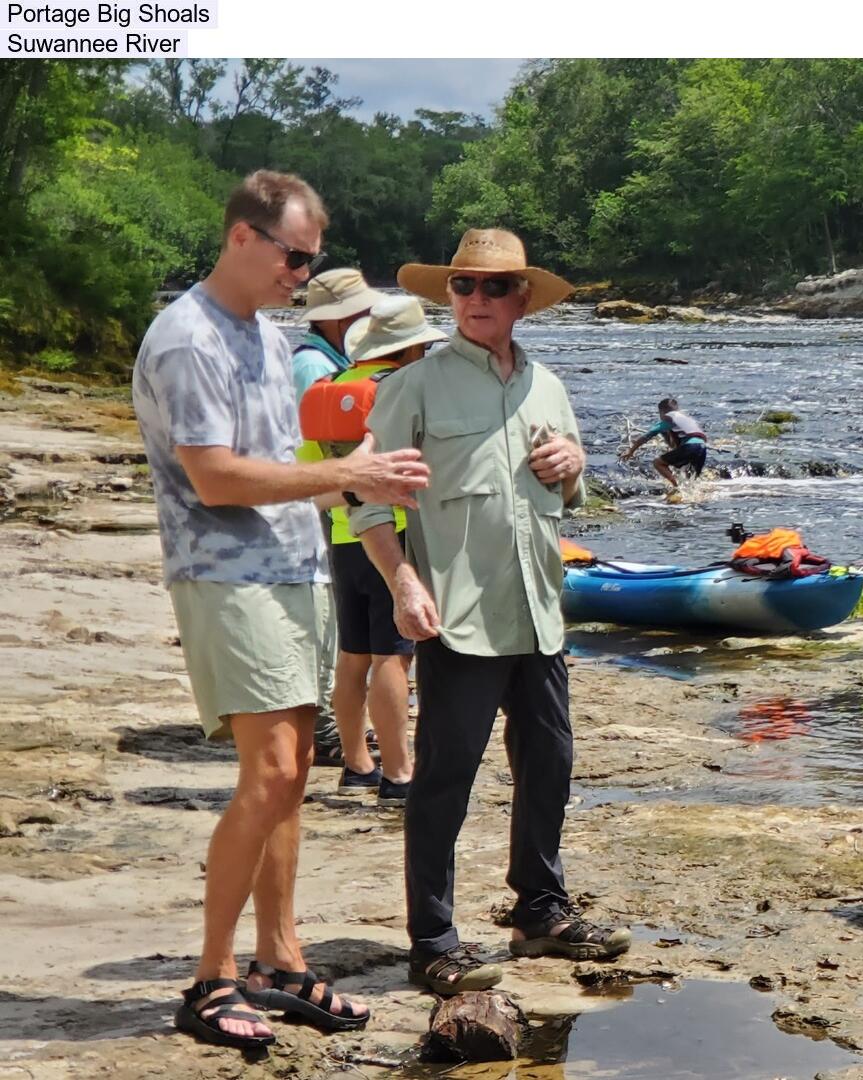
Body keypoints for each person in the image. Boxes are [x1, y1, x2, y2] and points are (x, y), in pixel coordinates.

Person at [134, 170, 428, 1049]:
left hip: (292, 570)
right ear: (242, 237)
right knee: (268, 773)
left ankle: (280, 961)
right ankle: (211, 979)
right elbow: (215, 476)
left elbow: (284, 454)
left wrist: (356, 458)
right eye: (294, 257)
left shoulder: (262, 332)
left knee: (295, 771)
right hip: (227, 575)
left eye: (312, 261)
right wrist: (346, 474)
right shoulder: (188, 339)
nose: (302, 274)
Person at [354, 228, 632, 998]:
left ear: (522, 300)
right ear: (448, 295)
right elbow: (368, 511)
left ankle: (539, 911)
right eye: (463, 286)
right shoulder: (413, 386)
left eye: (494, 287)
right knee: (444, 781)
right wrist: (405, 585)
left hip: (540, 613)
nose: (477, 299)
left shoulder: (548, 384)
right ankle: (433, 943)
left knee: (550, 766)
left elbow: (570, 488)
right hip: (459, 619)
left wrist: (578, 467)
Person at [297, 297, 446, 806]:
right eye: (423, 347)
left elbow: (312, 468)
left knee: (353, 654)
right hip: (393, 534)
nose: (426, 354)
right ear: (407, 351)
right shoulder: (399, 391)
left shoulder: (328, 388)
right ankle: (399, 773)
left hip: (341, 533)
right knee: (394, 657)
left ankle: (358, 764)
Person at [287, 268, 385, 402]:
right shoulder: (312, 365)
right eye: (359, 310)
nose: (368, 316)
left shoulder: (339, 357)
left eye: (369, 310)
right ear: (326, 319)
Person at [620, 397, 708, 492]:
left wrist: (631, 451)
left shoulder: (668, 420)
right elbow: (677, 444)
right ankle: (691, 494)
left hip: (690, 447)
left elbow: (646, 437)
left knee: (658, 463)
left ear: (662, 412)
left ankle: (676, 488)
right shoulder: (685, 419)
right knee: (690, 476)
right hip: (702, 447)